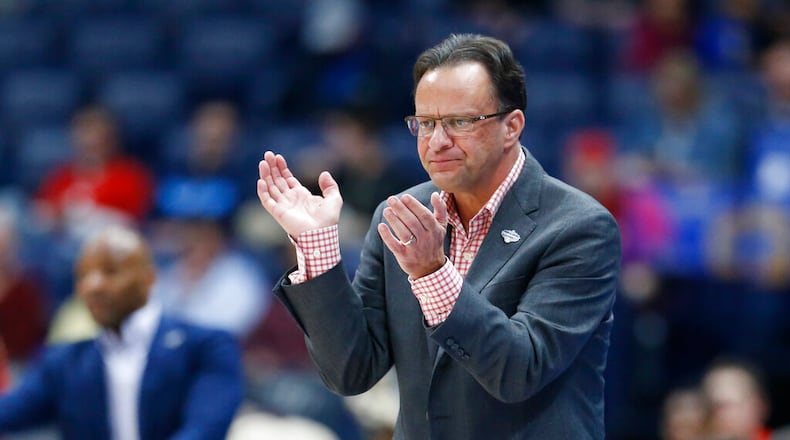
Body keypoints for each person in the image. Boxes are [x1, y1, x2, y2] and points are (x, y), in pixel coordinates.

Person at [257, 33, 621, 439]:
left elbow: (521, 371)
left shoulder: (579, 227)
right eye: (426, 123)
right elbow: (350, 372)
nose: (437, 141)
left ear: (511, 127)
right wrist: (317, 246)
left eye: (460, 122)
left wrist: (433, 273)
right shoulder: (398, 215)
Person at [0, 225, 244, 440]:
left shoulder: (205, 346)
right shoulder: (64, 361)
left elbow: (205, 430)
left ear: (149, 278)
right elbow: (9, 412)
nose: (93, 285)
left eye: (110, 271)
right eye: (83, 275)